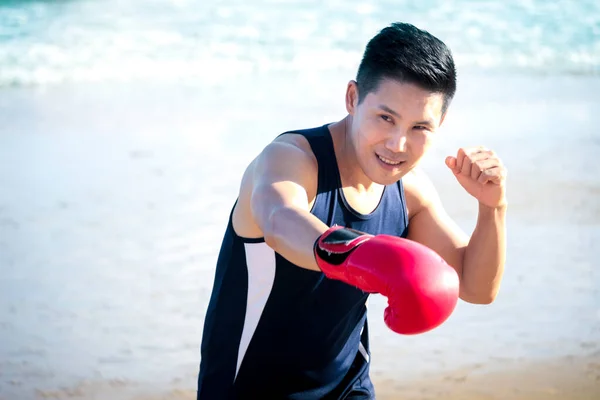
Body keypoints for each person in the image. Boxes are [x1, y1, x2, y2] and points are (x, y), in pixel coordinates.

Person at [196, 22, 507, 399]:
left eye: (420, 127)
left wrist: (493, 208)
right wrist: (364, 255)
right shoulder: (290, 160)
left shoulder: (409, 193)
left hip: (348, 389)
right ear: (352, 98)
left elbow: (476, 287)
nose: (398, 144)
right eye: (385, 117)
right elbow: (280, 221)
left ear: (440, 124)